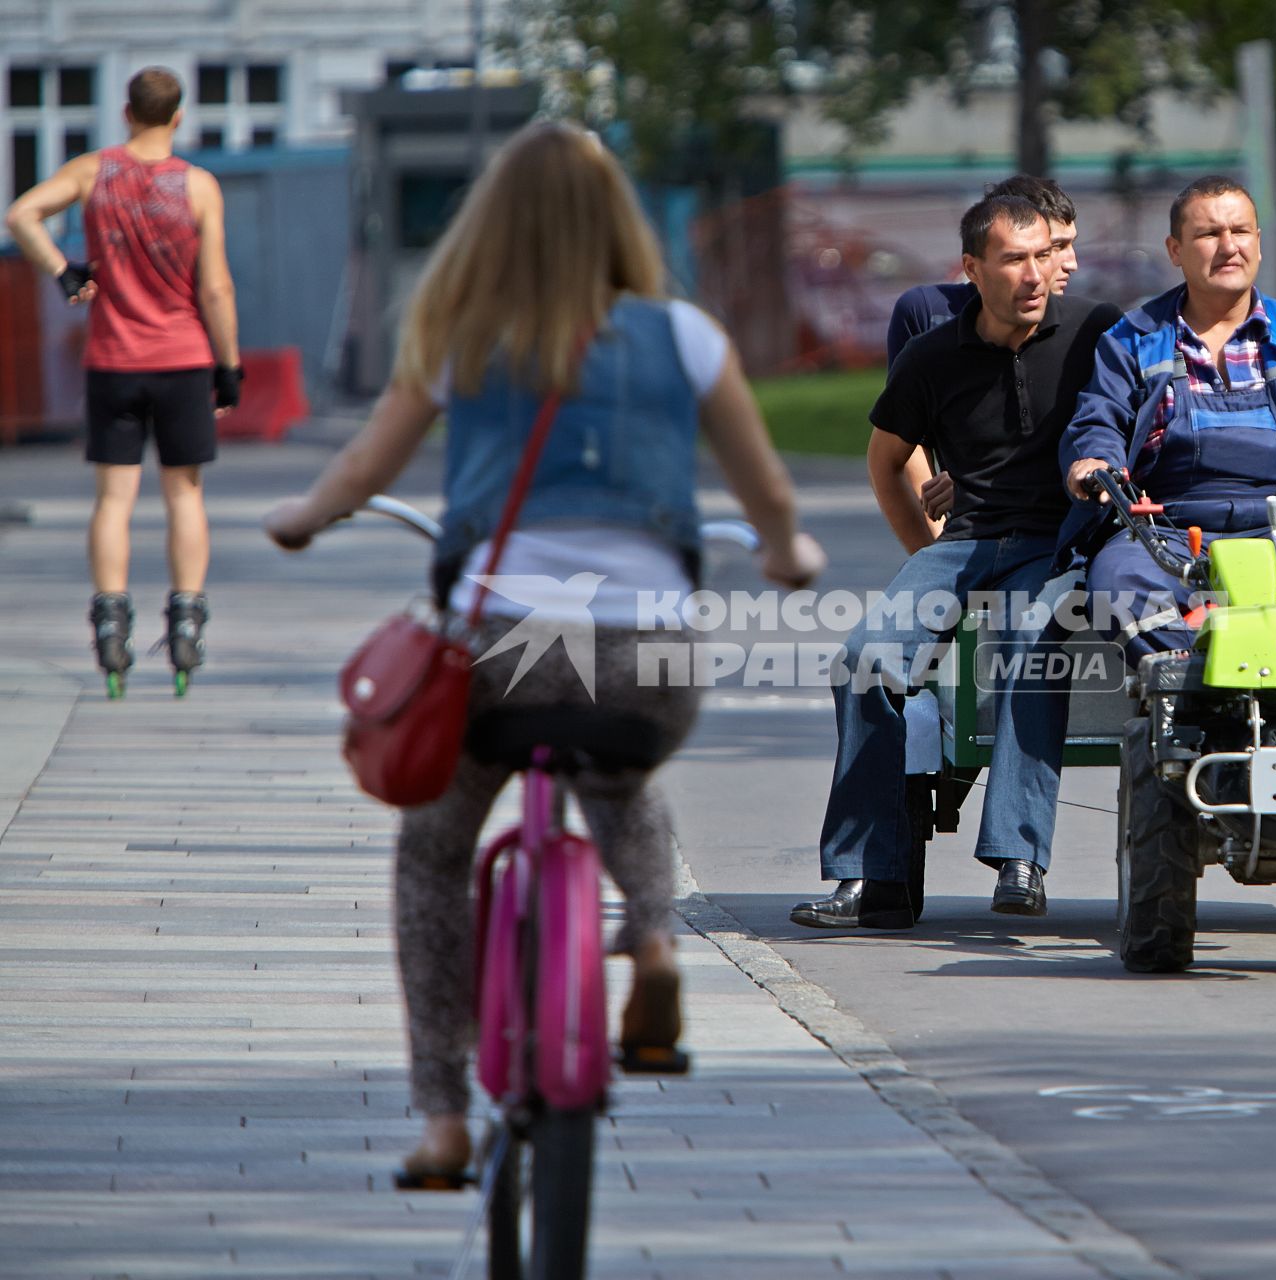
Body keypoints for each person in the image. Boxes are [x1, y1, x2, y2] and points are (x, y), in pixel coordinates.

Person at [262, 122, 825, 1180]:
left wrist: (300, 518)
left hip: (505, 642)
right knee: (621, 770)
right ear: (617, 219)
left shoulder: (458, 330)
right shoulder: (686, 337)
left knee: (434, 849)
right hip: (649, 652)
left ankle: (440, 1115)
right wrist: (790, 554)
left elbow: (358, 465)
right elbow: (772, 493)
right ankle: (651, 940)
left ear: (494, 220)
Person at [791, 193, 1121, 931]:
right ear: (972, 268)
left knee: (1032, 643)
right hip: (966, 543)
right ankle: (863, 874)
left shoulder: (1099, 333)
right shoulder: (930, 356)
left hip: (1058, 544)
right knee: (863, 660)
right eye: (1013, 259)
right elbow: (886, 463)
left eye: (1043, 256)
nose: (1035, 274)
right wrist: (925, 558)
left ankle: (1018, 857)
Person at [1061, 176, 1276, 660]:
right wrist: (1093, 462)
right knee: (1116, 584)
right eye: (1208, 234)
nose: (1228, 246)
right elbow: (1098, 421)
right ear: (1175, 250)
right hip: (1165, 531)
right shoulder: (1129, 338)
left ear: (1259, 242)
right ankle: (1189, 689)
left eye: (1241, 231)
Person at [4, 66, 241, 692]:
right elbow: (215, 285)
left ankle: (111, 623)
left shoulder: (93, 172)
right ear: (179, 115)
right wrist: (230, 365)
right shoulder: (199, 186)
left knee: (114, 499)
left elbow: (22, 214)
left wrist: (61, 269)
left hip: (112, 362)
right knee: (184, 495)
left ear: (127, 113)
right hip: (184, 358)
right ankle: (186, 622)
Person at [888, 174, 1082, 525]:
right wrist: (934, 541)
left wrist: (979, 483)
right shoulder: (927, 315)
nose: (1070, 262)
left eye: (1056, 249)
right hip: (967, 528)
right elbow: (902, 439)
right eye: (1057, 246)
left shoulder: (1090, 324)